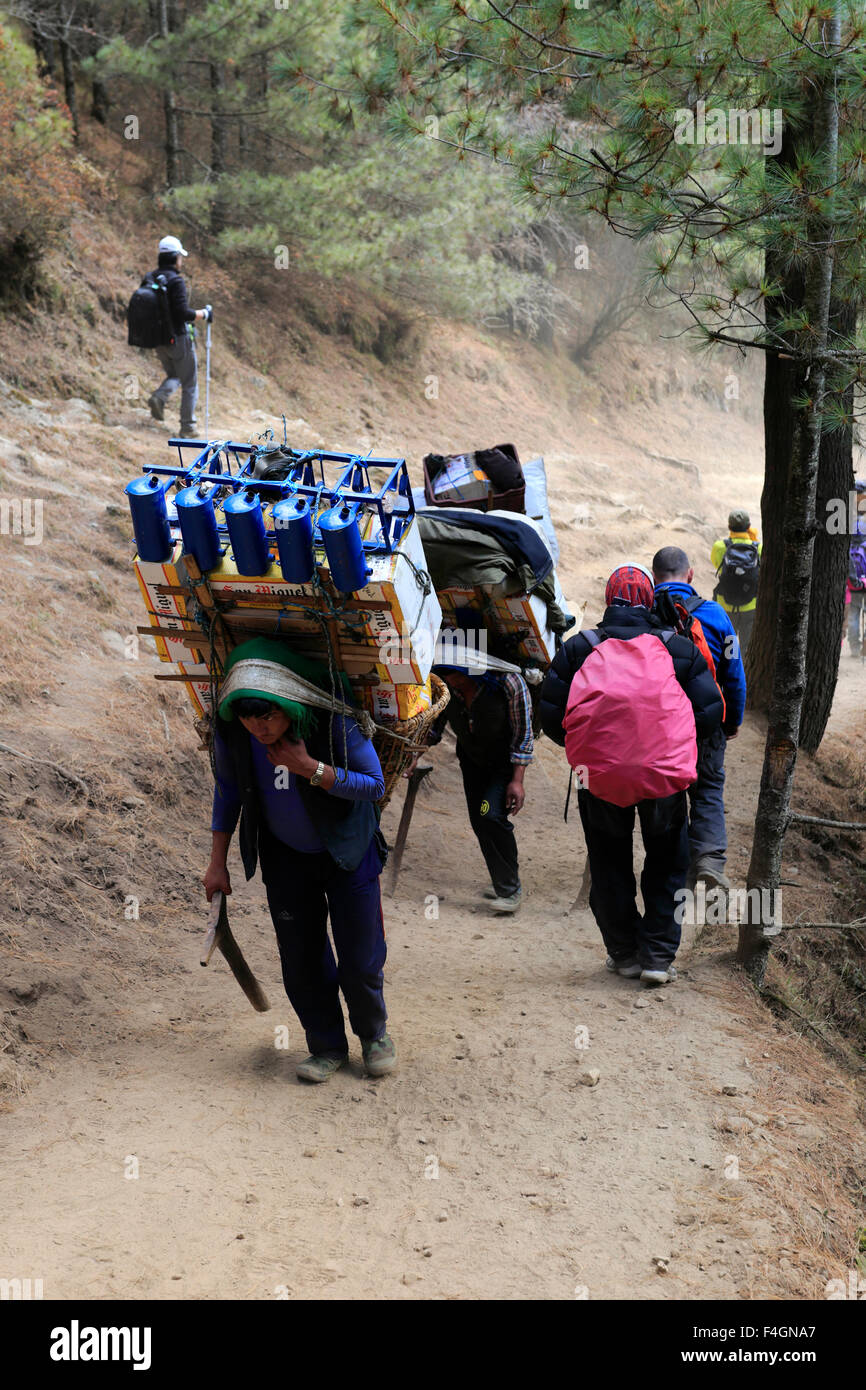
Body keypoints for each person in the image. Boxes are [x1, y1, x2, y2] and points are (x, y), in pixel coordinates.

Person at [202, 638, 395, 1084]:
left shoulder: (332, 721)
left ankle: (374, 1036)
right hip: (285, 855)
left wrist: (310, 767)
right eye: (248, 716)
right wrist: (217, 863)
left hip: (348, 848)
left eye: (267, 714)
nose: (258, 726)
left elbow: (373, 785)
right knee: (301, 957)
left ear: (289, 704)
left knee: (361, 953)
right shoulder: (234, 734)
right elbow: (228, 794)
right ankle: (326, 1045)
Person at [540, 564, 723, 984]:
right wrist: (677, 744)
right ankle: (658, 958)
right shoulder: (676, 647)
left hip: (598, 776)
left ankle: (624, 954)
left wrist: (587, 749)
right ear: (648, 599)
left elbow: (551, 715)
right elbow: (711, 712)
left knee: (608, 862)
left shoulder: (579, 648)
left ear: (608, 600)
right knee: (668, 861)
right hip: (663, 776)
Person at [652, 545, 746, 893]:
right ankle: (707, 860)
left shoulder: (645, 614)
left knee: (668, 790)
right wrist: (731, 719)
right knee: (706, 788)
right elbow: (734, 672)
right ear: (690, 575)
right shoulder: (718, 616)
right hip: (707, 721)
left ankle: (674, 868)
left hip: (660, 724)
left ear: (654, 578)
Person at [432, 661, 533, 914]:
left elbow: (524, 734)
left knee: (489, 815)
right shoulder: (446, 687)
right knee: (479, 821)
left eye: (454, 675)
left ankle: (510, 890)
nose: (450, 681)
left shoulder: (508, 683)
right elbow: (434, 724)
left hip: (502, 767)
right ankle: (503, 884)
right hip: (472, 762)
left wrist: (517, 780)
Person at [146, 235, 211, 439]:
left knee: (175, 375)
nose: (181, 262)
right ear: (175, 258)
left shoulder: (150, 278)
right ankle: (187, 427)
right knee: (190, 382)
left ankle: (159, 397)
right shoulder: (176, 281)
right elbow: (183, 313)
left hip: (158, 340)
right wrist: (204, 314)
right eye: (180, 257)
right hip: (178, 339)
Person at [710, 510, 761, 656]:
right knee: (747, 648)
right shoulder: (758, 548)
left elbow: (717, 565)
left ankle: (727, 676)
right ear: (748, 526)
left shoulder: (720, 546)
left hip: (725, 604)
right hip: (750, 605)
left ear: (729, 526)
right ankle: (745, 676)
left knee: (727, 646)